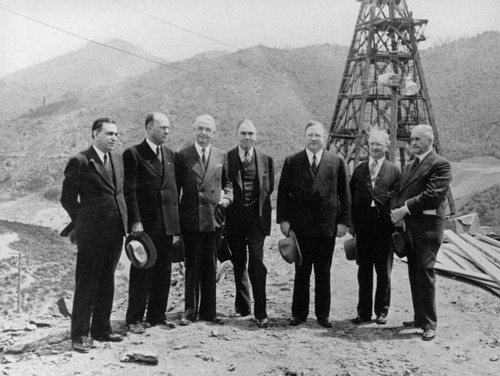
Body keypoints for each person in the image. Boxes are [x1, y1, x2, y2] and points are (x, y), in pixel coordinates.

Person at [60, 118, 128, 353]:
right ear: (94, 134)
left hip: (115, 231)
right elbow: (67, 198)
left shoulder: (117, 159)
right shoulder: (80, 161)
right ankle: (79, 335)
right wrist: (82, 221)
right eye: (109, 133)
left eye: (116, 134)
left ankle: (102, 329)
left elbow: (120, 194)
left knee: (107, 280)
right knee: (87, 283)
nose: (113, 138)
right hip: (91, 234)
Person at [277, 121, 351, 328]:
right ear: (305, 136)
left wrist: (343, 221)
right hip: (300, 228)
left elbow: (344, 195)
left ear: (324, 137)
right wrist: (284, 219)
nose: (313, 139)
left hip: (325, 227)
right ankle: (299, 313)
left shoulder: (336, 162)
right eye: (310, 135)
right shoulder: (293, 161)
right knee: (301, 272)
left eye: (317, 135)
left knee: (323, 272)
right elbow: (283, 194)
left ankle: (322, 314)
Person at [390, 124, 452, 341]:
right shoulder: (410, 165)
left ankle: (429, 324)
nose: (413, 143)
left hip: (428, 230)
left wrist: (403, 209)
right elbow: (401, 192)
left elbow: (432, 196)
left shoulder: (440, 165)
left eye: (417, 139)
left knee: (425, 273)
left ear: (429, 141)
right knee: (415, 273)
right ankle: (419, 317)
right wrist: (394, 210)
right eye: (412, 139)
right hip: (410, 229)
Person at [123, 113, 180, 334]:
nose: (167, 131)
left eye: (168, 128)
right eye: (162, 127)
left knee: (164, 271)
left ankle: (157, 315)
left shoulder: (169, 154)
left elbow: (173, 190)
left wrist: (175, 225)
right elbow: (130, 190)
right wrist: (135, 220)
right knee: (141, 270)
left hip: (166, 224)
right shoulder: (134, 154)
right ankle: (134, 318)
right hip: (144, 226)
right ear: (149, 128)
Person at [175, 114, 233, 325]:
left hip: (213, 219)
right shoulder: (183, 155)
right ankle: (190, 312)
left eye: (208, 130)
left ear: (214, 133)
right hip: (191, 219)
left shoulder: (221, 155)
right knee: (192, 265)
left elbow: (227, 183)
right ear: (194, 130)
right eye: (200, 128)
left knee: (210, 265)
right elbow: (176, 188)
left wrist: (227, 199)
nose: (203, 133)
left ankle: (209, 312)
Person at [226, 119, 274, 328]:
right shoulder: (227, 158)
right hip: (234, 220)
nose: (247, 137)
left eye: (251, 134)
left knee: (256, 261)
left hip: (257, 219)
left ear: (256, 136)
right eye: (243, 133)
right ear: (237, 134)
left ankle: (261, 310)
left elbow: (268, 188)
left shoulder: (266, 159)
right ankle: (243, 306)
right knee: (238, 262)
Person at [349, 129, 400, 325]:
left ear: (387, 147)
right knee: (364, 271)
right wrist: (352, 226)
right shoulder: (360, 170)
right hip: (363, 228)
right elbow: (352, 197)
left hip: (384, 229)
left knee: (383, 271)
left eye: (379, 144)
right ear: (367, 146)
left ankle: (382, 311)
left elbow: (397, 197)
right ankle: (363, 312)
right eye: (372, 144)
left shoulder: (394, 170)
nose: (375, 147)